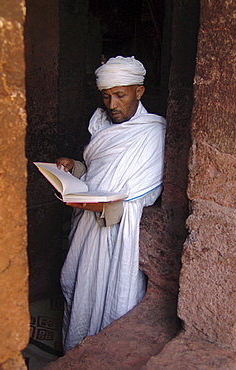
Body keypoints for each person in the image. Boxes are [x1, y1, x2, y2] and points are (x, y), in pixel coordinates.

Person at [56, 56, 166, 352]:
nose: (113, 104)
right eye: (107, 96)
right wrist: (76, 168)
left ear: (139, 92)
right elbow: (97, 175)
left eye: (120, 95)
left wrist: (105, 207)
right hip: (86, 230)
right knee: (82, 296)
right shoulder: (100, 125)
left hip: (118, 236)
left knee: (111, 301)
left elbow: (144, 192)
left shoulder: (153, 134)